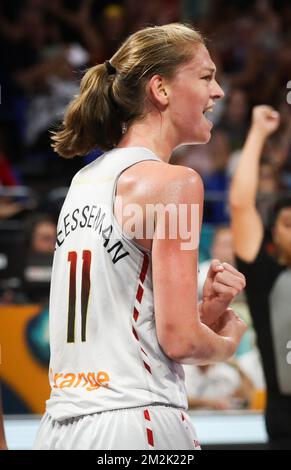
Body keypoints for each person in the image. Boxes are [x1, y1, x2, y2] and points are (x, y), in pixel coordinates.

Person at [34, 23, 247, 450]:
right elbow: (181, 340)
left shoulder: (84, 181)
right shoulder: (175, 183)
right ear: (161, 89)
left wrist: (200, 313)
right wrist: (228, 339)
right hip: (138, 424)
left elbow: (130, 327)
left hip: (60, 426)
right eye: (205, 77)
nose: (218, 91)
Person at [230, 105, 291, 449]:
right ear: (274, 235)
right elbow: (241, 204)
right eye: (288, 225)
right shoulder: (266, 277)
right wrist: (257, 133)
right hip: (284, 425)